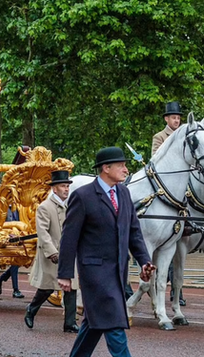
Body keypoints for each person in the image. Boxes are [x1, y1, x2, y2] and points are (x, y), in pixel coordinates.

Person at [57, 147, 155, 357]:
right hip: (95, 275)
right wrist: (65, 273)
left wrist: (144, 261)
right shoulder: (83, 196)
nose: (126, 170)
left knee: (94, 325)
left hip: (118, 272)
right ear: (106, 168)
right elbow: (69, 237)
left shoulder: (124, 193)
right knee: (114, 324)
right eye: (121, 165)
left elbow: (134, 232)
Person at [24, 170, 77, 332]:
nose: (66, 189)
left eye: (67, 186)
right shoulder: (44, 207)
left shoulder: (70, 206)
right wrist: (52, 252)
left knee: (71, 288)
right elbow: (42, 232)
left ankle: (70, 323)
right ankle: (31, 310)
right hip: (51, 255)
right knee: (46, 288)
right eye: (63, 186)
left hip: (68, 254)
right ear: (54, 189)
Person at [151, 102, 186, 306]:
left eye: (178, 118)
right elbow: (155, 158)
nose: (177, 120)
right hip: (163, 183)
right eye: (173, 117)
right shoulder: (159, 137)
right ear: (166, 119)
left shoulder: (185, 137)